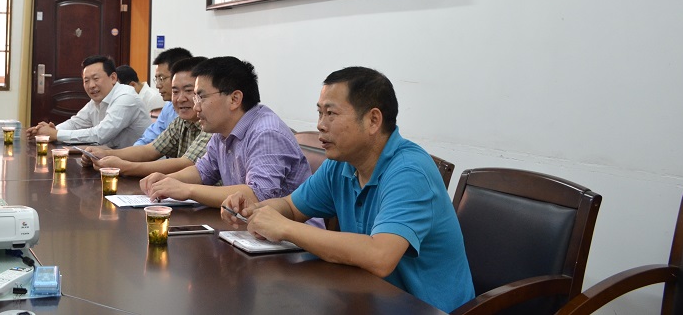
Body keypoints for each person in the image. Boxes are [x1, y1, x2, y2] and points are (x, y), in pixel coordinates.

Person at [220, 67, 474, 313]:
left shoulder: (410, 171)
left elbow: (380, 256)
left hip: (424, 307)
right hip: (367, 298)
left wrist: (285, 228)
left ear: (373, 120)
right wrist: (254, 209)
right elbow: (291, 207)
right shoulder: (340, 164)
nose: (320, 125)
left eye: (331, 113)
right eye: (320, 113)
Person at [140, 56, 312, 208]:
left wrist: (187, 190)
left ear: (234, 99)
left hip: (290, 233)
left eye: (201, 97)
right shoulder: (222, 131)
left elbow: (258, 195)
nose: (196, 107)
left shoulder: (266, 133)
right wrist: (168, 180)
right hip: (246, 227)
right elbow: (203, 171)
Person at [81, 56, 212, 177]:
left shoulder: (212, 125)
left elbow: (186, 163)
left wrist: (123, 166)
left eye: (189, 91)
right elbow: (150, 150)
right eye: (175, 91)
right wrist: (105, 154)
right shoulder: (181, 122)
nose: (180, 99)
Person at [26, 55, 151, 148]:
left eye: (96, 79)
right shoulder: (98, 100)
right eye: (86, 81)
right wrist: (47, 131)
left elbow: (99, 135)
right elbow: (76, 123)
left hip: (140, 166)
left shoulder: (126, 98)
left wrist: (56, 134)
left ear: (113, 78)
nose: (91, 85)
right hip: (112, 161)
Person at [133, 47, 193, 146]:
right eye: (156, 79)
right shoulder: (169, 107)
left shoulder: (199, 113)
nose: (158, 85)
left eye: (161, 78)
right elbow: (149, 140)